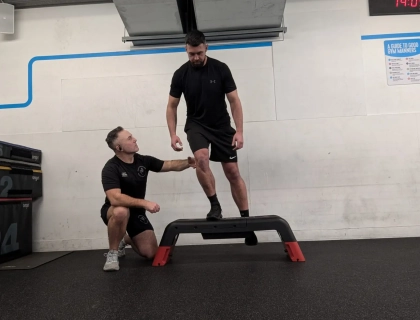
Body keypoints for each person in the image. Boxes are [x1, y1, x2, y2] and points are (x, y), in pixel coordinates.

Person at [165, 30, 258, 246]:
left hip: (221, 126)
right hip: (196, 124)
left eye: (198, 53)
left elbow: (234, 101)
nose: (195, 58)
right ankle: (215, 205)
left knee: (232, 171)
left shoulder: (221, 68)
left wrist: (239, 130)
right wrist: (172, 134)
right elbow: (171, 106)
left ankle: (246, 222)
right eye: (191, 54)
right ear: (186, 51)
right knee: (202, 158)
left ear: (206, 47)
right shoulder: (180, 74)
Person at [100, 126, 196, 271]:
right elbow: (115, 199)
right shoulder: (111, 168)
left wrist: (188, 163)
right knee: (121, 211)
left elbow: (168, 165)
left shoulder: (143, 161)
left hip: (136, 213)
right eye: (129, 138)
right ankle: (113, 253)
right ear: (119, 147)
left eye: (132, 136)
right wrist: (145, 203)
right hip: (113, 210)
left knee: (151, 253)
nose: (135, 139)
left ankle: (124, 239)